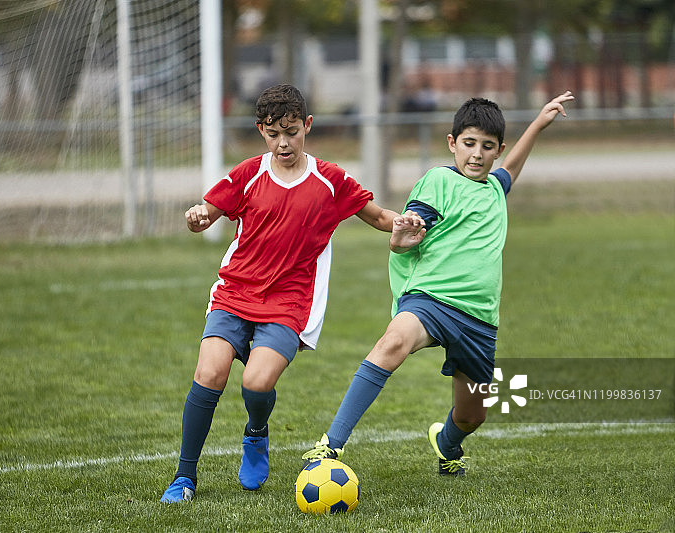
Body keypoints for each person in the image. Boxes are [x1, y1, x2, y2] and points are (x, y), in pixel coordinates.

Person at [301, 91, 575, 476]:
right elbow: (406, 230)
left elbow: (512, 168)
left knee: (471, 416)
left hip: (479, 318)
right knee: (392, 342)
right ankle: (331, 444)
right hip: (430, 300)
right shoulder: (438, 181)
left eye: (487, 146)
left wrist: (538, 124)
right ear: (452, 143)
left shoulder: (496, 188)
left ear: (497, 150)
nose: (476, 154)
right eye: (468, 144)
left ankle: (447, 444)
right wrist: (400, 236)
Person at [160, 84, 403, 502]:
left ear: (307, 126)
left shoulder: (331, 181)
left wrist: (405, 223)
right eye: (274, 134)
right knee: (209, 374)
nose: (283, 142)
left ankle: (256, 432)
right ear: (261, 131)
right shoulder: (249, 173)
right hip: (235, 292)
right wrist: (199, 217)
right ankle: (184, 478)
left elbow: (378, 216)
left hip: (288, 302)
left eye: (291, 131)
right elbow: (209, 211)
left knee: (256, 383)